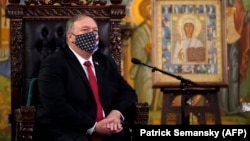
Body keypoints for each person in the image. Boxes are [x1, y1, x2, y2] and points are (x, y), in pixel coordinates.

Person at [33, 14, 138, 141]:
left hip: (109, 129)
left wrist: (116, 114)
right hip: (69, 130)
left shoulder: (105, 62)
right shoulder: (54, 63)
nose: (92, 34)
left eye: (95, 31)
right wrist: (94, 126)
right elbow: (55, 105)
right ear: (70, 37)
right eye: (85, 30)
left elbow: (128, 93)